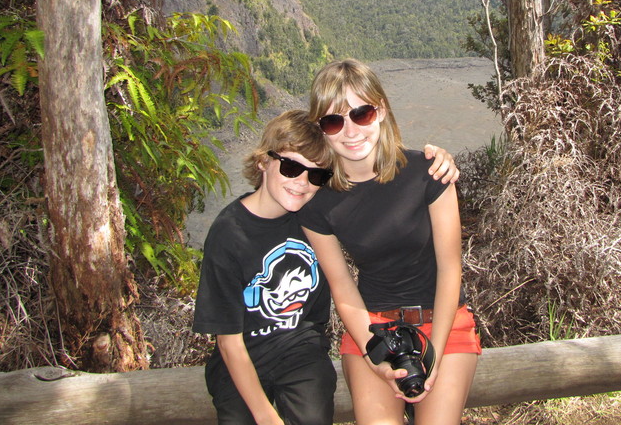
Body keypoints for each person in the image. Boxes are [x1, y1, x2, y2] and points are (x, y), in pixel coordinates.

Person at [193, 109, 459, 425]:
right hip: (242, 357)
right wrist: (266, 417)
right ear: (264, 161)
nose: (302, 183)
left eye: (317, 175)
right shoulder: (230, 233)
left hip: (302, 355)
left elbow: (373, 188)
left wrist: (435, 160)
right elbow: (228, 342)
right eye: (291, 167)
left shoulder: (312, 213)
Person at [299, 59, 480, 425]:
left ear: (380, 111)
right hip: (372, 328)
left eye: (361, 114)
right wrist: (373, 353)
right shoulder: (317, 204)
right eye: (333, 121)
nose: (350, 131)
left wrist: (433, 354)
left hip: (443, 323)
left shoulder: (428, 174)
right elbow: (342, 289)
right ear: (321, 129)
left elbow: (450, 269)